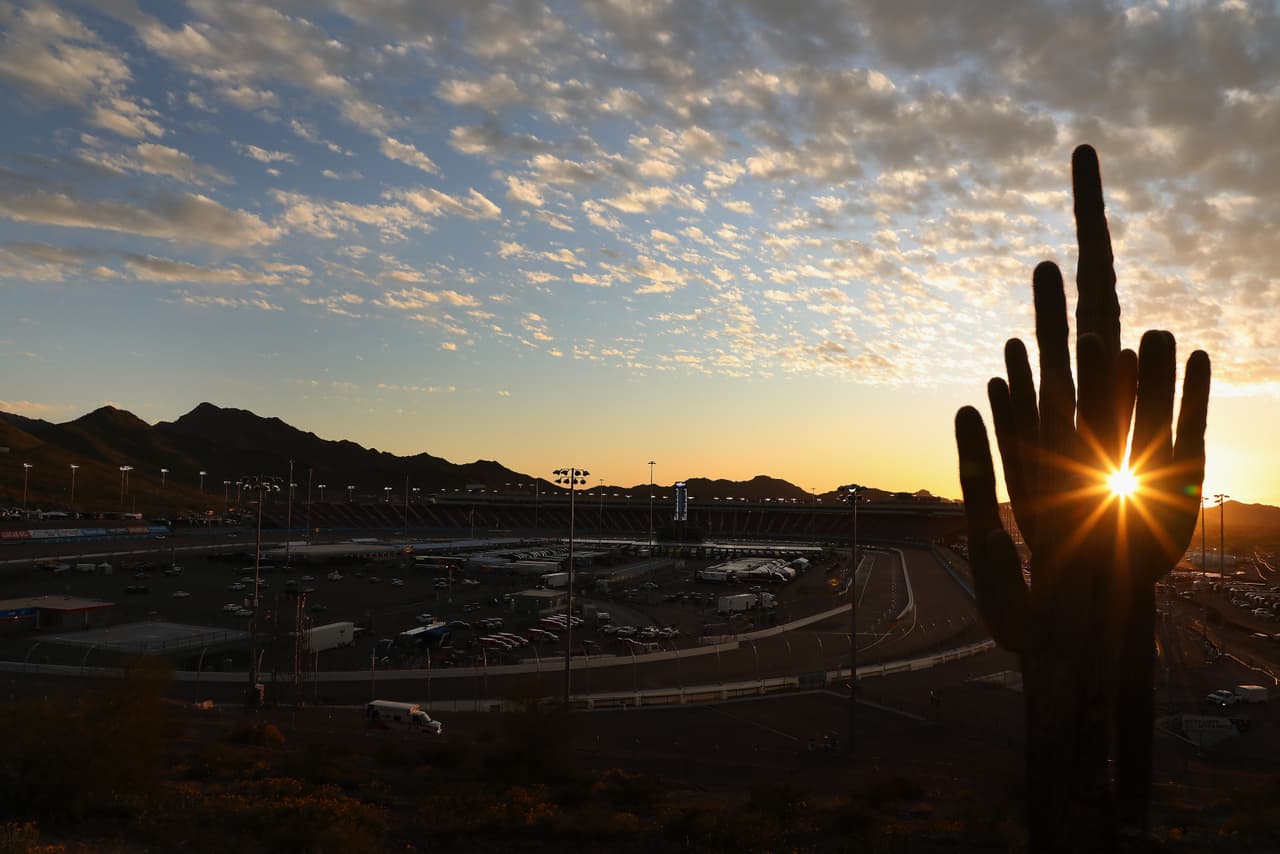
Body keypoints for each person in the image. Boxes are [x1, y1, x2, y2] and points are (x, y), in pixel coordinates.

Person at [954, 145, 1210, 851]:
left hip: (1080, 587)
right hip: (1099, 581)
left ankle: (1104, 818)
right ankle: (1115, 818)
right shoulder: (1140, 554)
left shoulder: (1102, 563)